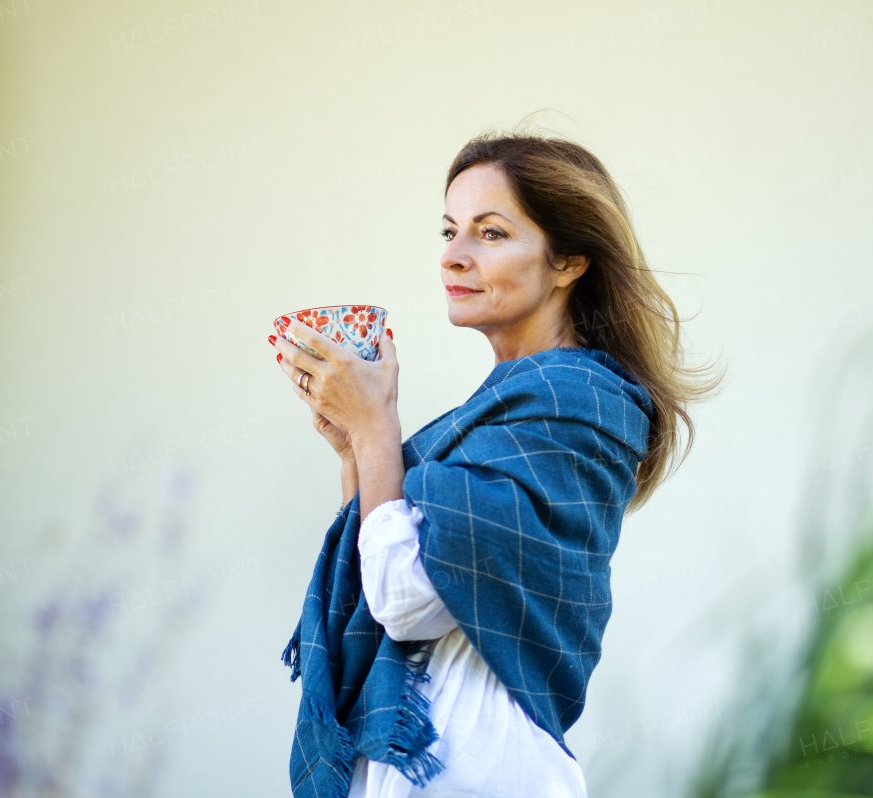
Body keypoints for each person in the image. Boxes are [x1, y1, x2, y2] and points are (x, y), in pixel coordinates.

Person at [272, 132, 719, 797]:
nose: (454, 257)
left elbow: (405, 600)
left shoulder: (578, 406)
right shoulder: (501, 413)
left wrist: (377, 432)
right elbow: (383, 574)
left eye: (490, 233)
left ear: (566, 261)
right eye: (450, 231)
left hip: (482, 769)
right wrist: (356, 450)